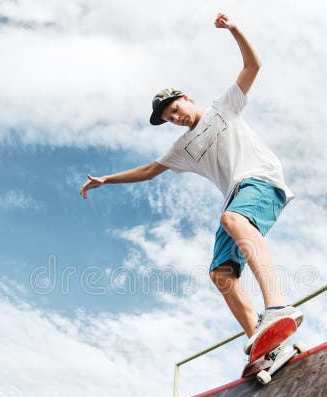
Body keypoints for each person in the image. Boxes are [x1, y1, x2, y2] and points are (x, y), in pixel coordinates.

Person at [80, 13, 302, 362]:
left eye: (174, 109)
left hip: (262, 179)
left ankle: (277, 306)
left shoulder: (222, 108)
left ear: (185, 97)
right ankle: (264, 347)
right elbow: (151, 169)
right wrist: (108, 179)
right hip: (237, 196)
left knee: (231, 219)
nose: (175, 117)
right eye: (168, 117)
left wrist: (234, 30)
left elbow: (253, 65)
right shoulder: (181, 147)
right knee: (220, 273)